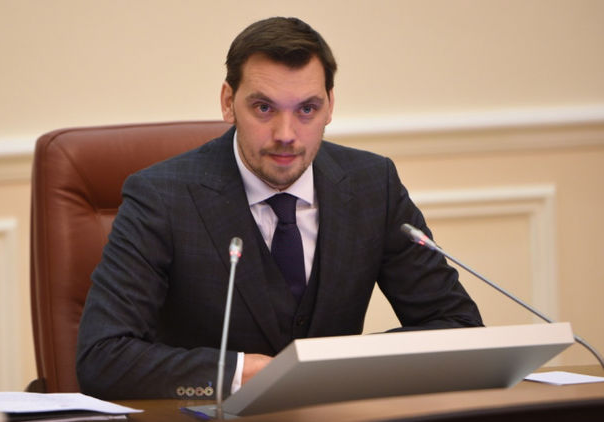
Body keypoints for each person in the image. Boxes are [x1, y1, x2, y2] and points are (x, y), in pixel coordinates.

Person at [76, 16, 482, 400]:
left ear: (330, 106)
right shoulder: (162, 197)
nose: (286, 135)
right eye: (264, 108)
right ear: (228, 102)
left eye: (306, 109)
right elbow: (102, 358)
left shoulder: (373, 185)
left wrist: (338, 367)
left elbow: (457, 327)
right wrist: (238, 373)